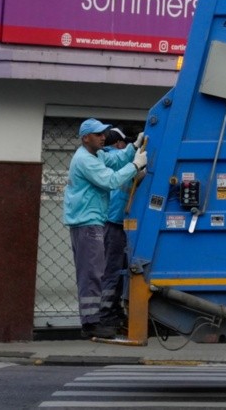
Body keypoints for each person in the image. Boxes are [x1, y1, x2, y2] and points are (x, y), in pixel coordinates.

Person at [64, 118, 146, 339]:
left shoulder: (95, 155)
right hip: (87, 223)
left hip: (91, 222)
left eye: (104, 133)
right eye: (99, 134)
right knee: (91, 274)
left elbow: (115, 159)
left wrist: (133, 148)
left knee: (95, 273)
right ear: (85, 138)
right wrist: (136, 165)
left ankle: (93, 321)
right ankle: (91, 324)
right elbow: (110, 180)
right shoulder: (85, 161)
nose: (103, 137)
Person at [100, 128, 140, 330]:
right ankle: (106, 314)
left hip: (114, 223)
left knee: (116, 269)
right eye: (126, 144)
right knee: (112, 270)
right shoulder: (112, 156)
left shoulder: (106, 158)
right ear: (118, 144)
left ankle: (112, 312)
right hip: (114, 223)